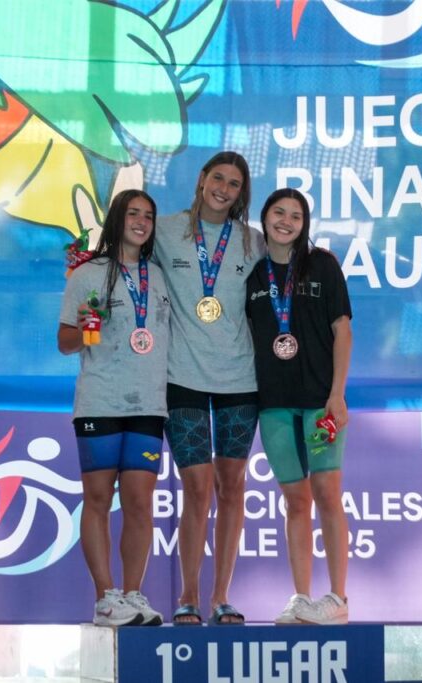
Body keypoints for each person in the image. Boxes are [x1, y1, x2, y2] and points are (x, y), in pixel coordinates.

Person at [153, 151, 266, 625]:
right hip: (182, 376)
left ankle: (221, 596)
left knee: (232, 487)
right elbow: (120, 258)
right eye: (218, 178)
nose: (224, 189)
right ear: (201, 180)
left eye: (234, 184)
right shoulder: (164, 231)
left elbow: (290, 276)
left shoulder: (253, 241)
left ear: (242, 194)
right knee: (196, 489)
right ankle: (188, 595)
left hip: (240, 378)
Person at [58, 189, 170, 627]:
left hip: (149, 404)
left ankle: (134, 594)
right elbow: (66, 343)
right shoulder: (87, 274)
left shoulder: (158, 276)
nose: (141, 221)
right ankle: (106, 598)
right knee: (99, 498)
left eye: (149, 216)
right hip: (100, 401)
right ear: (117, 219)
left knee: (140, 502)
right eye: (133, 213)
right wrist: (90, 326)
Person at [245, 188, 353, 625]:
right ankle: (301, 598)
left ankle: (338, 598)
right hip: (273, 404)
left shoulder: (323, 265)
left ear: (305, 224)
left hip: (320, 402)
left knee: (326, 494)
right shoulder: (253, 273)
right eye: (279, 212)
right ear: (264, 217)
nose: (286, 221)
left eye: (295, 215)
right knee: (294, 501)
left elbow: (342, 330)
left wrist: (337, 393)